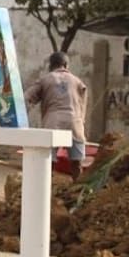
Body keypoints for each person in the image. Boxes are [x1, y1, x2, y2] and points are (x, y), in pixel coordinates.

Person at [25, 51, 89, 180]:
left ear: (50, 65)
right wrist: (81, 120)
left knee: (48, 162)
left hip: (52, 123)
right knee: (77, 163)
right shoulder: (78, 81)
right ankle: (79, 192)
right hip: (74, 123)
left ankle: (47, 192)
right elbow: (83, 103)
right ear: (66, 65)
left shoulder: (45, 79)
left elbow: (28, 98)